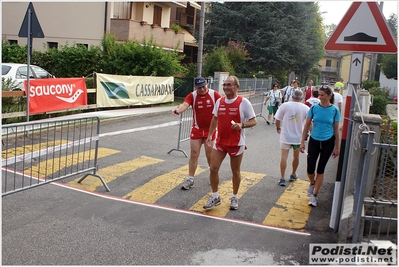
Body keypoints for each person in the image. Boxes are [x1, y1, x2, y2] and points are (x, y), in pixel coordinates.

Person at [203, 76, 257, 211]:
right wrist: (210, 135)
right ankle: (215, 196)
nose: (226, 87)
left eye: (229, 85)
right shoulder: (220, 101)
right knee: (213, 168)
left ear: (237, 87)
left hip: (236, 143)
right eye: (224, 84)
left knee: (235, 171)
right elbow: (215, 118)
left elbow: (254, 121)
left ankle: (234, 197)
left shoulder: (243, 102)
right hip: (220, 141)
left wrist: (241, 124)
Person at [172, 76, 221, 190]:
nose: (202, 89)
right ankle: (190, 179)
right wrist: (178, 110)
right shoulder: (192, 95)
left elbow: (223, 104)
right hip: (197, 129)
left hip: (211, 130)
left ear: (207, 84)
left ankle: (213, 176)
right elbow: (184, 104)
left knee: (210, 155)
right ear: (195, 87)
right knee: (194, 153)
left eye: (203, 86)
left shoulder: (215, 95)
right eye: (199, 88)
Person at [300, 85, 340, 207]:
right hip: (314, 140)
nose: (320, 97)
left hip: (328, 141)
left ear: (329, 96)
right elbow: (306, 125)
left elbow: (336, 129)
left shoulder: (334, 110)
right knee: (310, 169)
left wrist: (337, 147)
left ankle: (315, 195)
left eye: (322, 95)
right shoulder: (314, 108)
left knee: (321, 169)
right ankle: (312, 183)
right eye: (319, 95)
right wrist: (302, 142)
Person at [274, 90, 309, 186]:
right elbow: (310, 123)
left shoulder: (285, 105)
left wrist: (278, 128)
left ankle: (282, 178)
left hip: (285, 136)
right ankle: (293, 174)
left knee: (284, 157)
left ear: (292, 97)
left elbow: (277, 119)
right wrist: (308, 134)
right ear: (302, 98)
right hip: (298, 138)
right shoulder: (306, 108)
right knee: (296, 156)